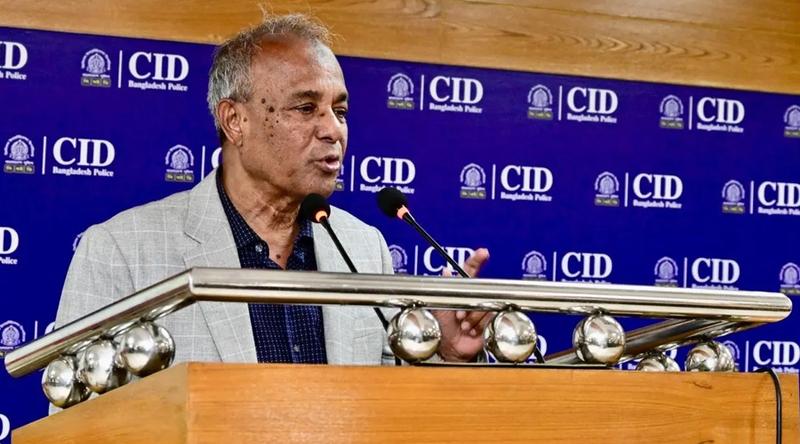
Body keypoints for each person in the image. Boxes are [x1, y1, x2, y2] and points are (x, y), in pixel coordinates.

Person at [56, 14, 491, 366]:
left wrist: (447, 354)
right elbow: (75, 416)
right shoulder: (122, 251)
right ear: (235, 121)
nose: (333, 130)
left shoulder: (363, 248)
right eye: (306, 108)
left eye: (340, 111)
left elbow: (390, 407)